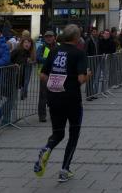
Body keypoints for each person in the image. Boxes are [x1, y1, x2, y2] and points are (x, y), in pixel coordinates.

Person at [34, 24, 89, 183]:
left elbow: (43, 76)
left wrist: (56, 79)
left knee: (58, 133)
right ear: (77, 37)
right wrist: (88, 75)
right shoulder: (79, 53)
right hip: (72, 98)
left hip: (54, 97)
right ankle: (64, 170)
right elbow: (81, 79)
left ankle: (47, 148)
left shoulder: (54, 51)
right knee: (73, 133)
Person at [37, 31, 57, 121]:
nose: (49, 38)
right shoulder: (41, 47)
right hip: (44, 74)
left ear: (54, 37)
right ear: (44, 38)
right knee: (43, 96)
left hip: (56, 74)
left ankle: (55, 113)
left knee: (55, 95)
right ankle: (42, 116)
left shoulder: (58, 46)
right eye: (47, 37)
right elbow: (38, 58)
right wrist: (50, 60)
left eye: (50, 36)